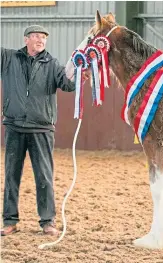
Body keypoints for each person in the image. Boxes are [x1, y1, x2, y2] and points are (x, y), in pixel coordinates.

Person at [1, 25, 76, 236]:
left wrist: (80, 75)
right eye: (36, 36)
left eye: (43, 37)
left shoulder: (52, 64)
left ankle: (47, 221)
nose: (40, 40)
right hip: (14, 126)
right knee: (11, 176)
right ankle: (10, 221)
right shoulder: (8, 58)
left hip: (42, 129)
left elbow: (67, 84)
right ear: (26, 39)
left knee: (44, 176)